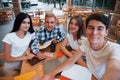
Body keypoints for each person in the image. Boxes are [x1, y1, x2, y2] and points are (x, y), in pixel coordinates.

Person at [41, 14, 120, 80]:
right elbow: (72, 59)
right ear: (86, 29)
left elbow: (114, 70)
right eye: (91, 28)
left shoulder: (115, 49)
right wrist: (51, 74)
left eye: (100, 29)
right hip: (87, 73)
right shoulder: (86, 42)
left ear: (106, 32)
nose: (94, 33)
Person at [2, 12, 35, 76]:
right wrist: (25, 58)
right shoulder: (9, 37)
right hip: (11, 68)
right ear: (18, 22)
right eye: (24, 22)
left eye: (28, 23)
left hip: (24, 64)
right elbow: (7, 58)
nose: (27, 25)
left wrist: (28, 49)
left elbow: (29, 44)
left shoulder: (29, 34)